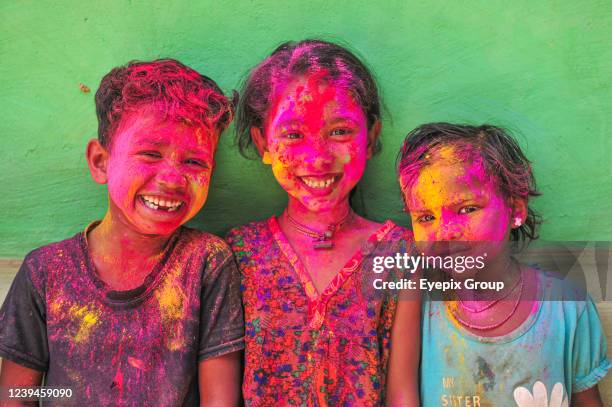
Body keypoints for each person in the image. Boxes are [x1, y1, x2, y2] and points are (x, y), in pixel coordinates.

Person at [0, 59, 244, 406]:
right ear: (100, 162)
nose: (173, 179)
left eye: (194, 162)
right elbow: (18, 395)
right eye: (149, 153)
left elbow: (219, 400)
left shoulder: (207, 263)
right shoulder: (46, 271)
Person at [226, 39, 420, 406]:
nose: (317, 158)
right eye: (293, 134)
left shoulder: (399, 253)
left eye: (340, 131)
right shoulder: (239, 253)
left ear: (371, 137)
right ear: (263, 143)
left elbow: (402, 392)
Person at [397, 122, 610, 406]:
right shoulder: (416, 311)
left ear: (515, 211)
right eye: (425, 217)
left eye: (467, 209)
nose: (445, 232)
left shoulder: (567, 307)